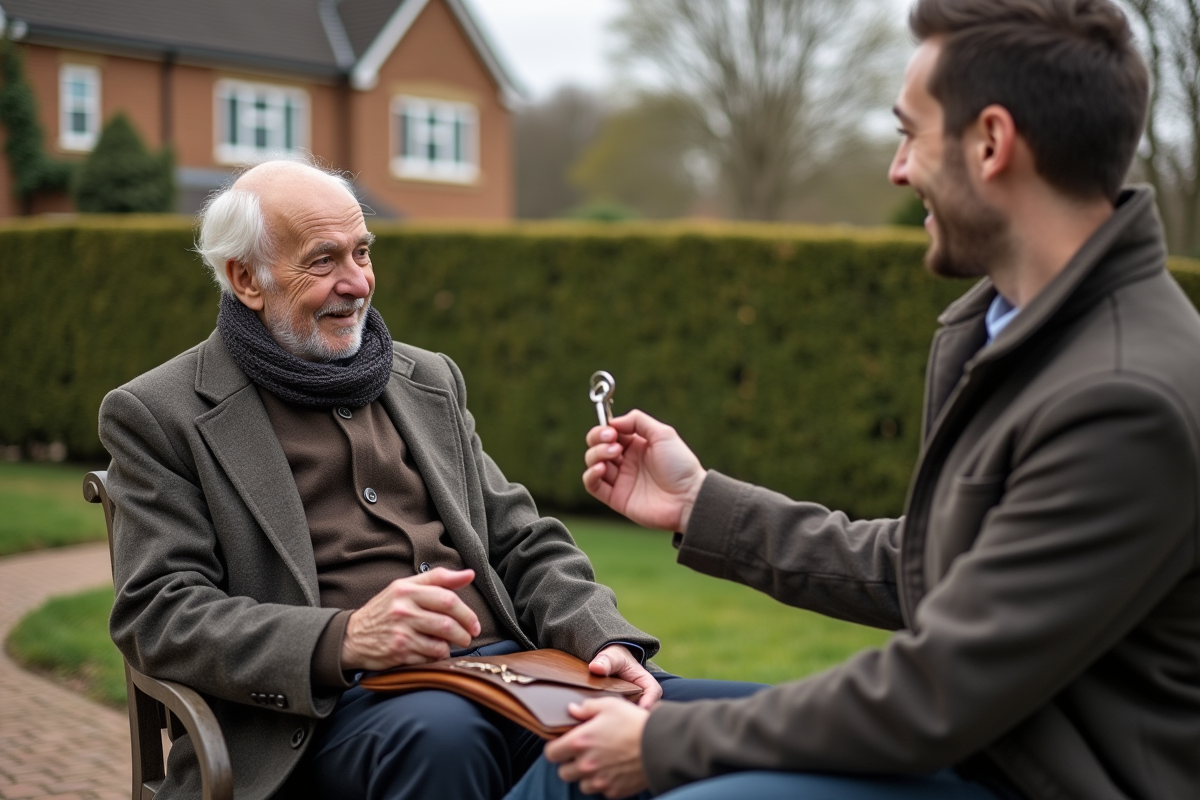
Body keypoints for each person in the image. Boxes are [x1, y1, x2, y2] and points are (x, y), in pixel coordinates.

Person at [511, 1, 1200, 799]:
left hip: (1029, 777)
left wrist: (668, 744)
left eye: (910, 134)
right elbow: (935, 569)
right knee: (579, 744)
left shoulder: (1125, 396)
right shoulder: (1017, 329)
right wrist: (699, 503)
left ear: (991, 143)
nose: (898, 171)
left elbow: (939, 689)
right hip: (975, 746)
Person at [99, 159, 759, 800]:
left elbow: (522, 541)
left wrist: (602, 636)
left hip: (522, 678)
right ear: (246, 278)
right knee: (448, 737)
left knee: (763, 724)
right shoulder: (159, 412)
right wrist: (345, 638)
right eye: (324, 261)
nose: (357, 282)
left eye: (362, 252)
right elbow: (160, 611)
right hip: (330, 715)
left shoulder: (429, 380)